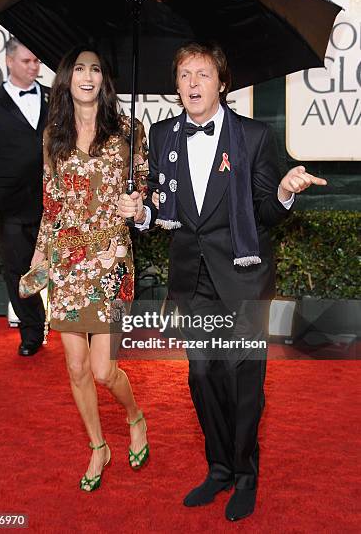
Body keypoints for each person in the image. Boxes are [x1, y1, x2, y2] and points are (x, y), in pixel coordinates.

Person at [118, 42, 327, 521]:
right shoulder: (163, 135)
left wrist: (283, 190)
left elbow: (265, 212)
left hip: (243, 278)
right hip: (191, 278)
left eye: (203, 74)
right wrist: (140, 211)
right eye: (185, 75)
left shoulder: (253, 136)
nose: (193, 83)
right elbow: (161, 206)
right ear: (176, 86)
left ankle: (246, 472)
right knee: (202, 375)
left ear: (222, 83)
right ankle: (218, 467)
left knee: (243, 378)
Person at [31, 46, 149, 491]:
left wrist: (136, 205)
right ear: (66, 78)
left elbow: (148, 193)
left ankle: (134, 416)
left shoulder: (128, 130)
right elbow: (51, 204)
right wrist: (40, 256)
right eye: (79, 69)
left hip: (110, 259)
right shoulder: (53, 135)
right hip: (68, 259)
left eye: (95, 69)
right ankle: (98, 446)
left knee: (103, 370)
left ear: (104, 79)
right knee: (76, 368)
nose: (87, 76)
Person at [0, 37, 49, 356]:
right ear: (9, 61)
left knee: (65, 266)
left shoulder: (56, 99)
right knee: (18, 271)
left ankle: (76, 328)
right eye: (27, 61)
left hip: (55, 204)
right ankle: (32, 332)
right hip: (10, 206)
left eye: (37, 62)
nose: (34, 67)